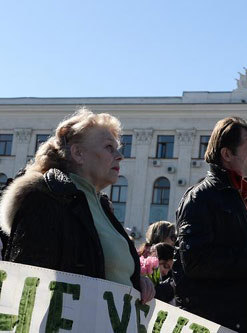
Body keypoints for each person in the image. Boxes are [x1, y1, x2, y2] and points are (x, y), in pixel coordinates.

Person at [0, 108, 154, 303]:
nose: (119, 156)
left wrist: (136, 282)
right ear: (78, 153)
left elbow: (104, 266)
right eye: (109, 147)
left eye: (118, 148)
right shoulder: (45, 200)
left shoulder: (102, 207)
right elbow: (28, 286)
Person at [173, 117, 247, 333]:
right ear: (227, 154)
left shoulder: (243, 199)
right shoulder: (202, 197)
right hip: (219, 324)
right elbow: (196, 261)